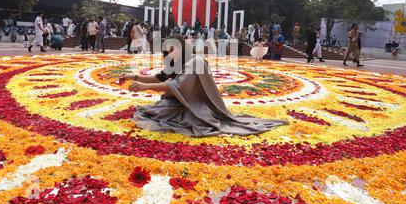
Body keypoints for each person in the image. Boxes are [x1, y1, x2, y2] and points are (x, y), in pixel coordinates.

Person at [119, 35, 288, 137]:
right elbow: (159, 78)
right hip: (181, 103)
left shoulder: (196, 61)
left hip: (198, 108)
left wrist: (144, 87)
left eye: (172, 49)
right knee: (153, 112)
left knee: (160, 116)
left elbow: (176, 86)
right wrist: (132, 76)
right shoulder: (177, 62)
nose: (169, 54)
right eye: (167, 51)